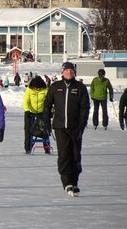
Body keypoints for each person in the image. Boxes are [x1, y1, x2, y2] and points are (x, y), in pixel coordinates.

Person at [43, 62, 90, 197]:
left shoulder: (80, 87)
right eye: (67, 70)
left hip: (75, 127)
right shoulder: (55, 87)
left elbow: (84, 109)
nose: (69, 72)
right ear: (62, 72)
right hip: (60, 127)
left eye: (71, 70)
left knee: (75, 155)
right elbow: (47, 106)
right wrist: (47, 122)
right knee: (64, 155)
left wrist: (81, 126)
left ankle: (75, 182)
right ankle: (67, 182)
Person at [23, 76, 49, 154]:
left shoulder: (45, 90)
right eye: (36, 88)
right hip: (30, 111)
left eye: (39, 88)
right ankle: (27, 147)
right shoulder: (29, 90)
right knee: (27, 129)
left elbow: (48, 101)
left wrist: (48, 110)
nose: (37, 89)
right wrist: (27, 110)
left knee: (44, 128)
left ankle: (46, 146)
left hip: (41, 112)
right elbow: (26, 101)